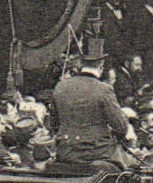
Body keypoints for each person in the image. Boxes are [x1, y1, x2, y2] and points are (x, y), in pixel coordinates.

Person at [49, 38, 136, 168]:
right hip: (97, 152)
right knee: (132, 166)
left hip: (65, 152)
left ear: (80, 63)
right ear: (101, 66)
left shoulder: (61, 86)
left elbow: (54, 124)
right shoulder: (104, 89)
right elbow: (121, 127)